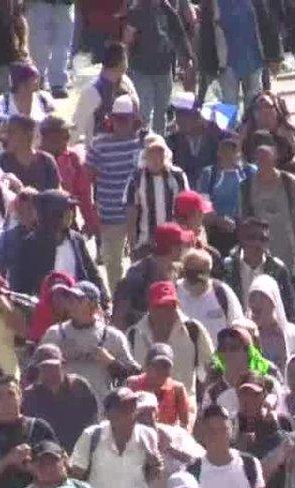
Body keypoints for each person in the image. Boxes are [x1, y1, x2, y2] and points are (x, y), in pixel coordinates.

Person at [41, 281, 138, 404]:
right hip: (61, 408)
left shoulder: (112, 336)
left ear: (93, 305)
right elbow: (34, 372)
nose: (72, 302)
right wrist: (55, 361)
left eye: (78, 299)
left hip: (101, 410)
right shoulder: (55, 334)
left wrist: (111, 363)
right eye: (70, 297)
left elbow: (134, 377)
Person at [86, 95, 145, 290]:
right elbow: (89, 176)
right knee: (113, 263)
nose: (121, 123)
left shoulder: (143, 142)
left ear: (133, 119)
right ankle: (117, 297)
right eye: (117, 118)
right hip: (110, 212)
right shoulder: (99, 144)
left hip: (139, 214)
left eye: (125, 119)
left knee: (141, 259)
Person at [240, 134, 295, 276]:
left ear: (275, 158)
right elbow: (244, 221)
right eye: (259, 158)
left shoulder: (289, 182)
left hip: (288, 247)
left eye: (266, 157)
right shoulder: (246, 186)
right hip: (259, 250)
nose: (263, 162)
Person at [122, 0, 192, 134]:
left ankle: (160, 142)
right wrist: (125, 63)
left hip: (164, 69)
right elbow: (127, 39)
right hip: (141, 69)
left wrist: (187, 59)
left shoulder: (168, 10)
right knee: (144, 110)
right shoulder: (137, 10)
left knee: (162, 111)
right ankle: (141, 144)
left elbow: (179, 35)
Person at [20, 345, 101, 452]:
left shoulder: (80, 387)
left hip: (81, 453)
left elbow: (94, 423)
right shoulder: (30, 396)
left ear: (63, 365)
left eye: (54, 367)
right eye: (45, 368)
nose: (50, 372)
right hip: (48, 458)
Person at [124, 137, 191, 252]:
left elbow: (186, 209)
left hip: (174, 242)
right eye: (151, 153)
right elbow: (131, 212)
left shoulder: (177, 176)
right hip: (145, 243)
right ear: (145, 155)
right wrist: (132, 245)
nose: (156, 158)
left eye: (160, 152)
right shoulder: (136, 178)